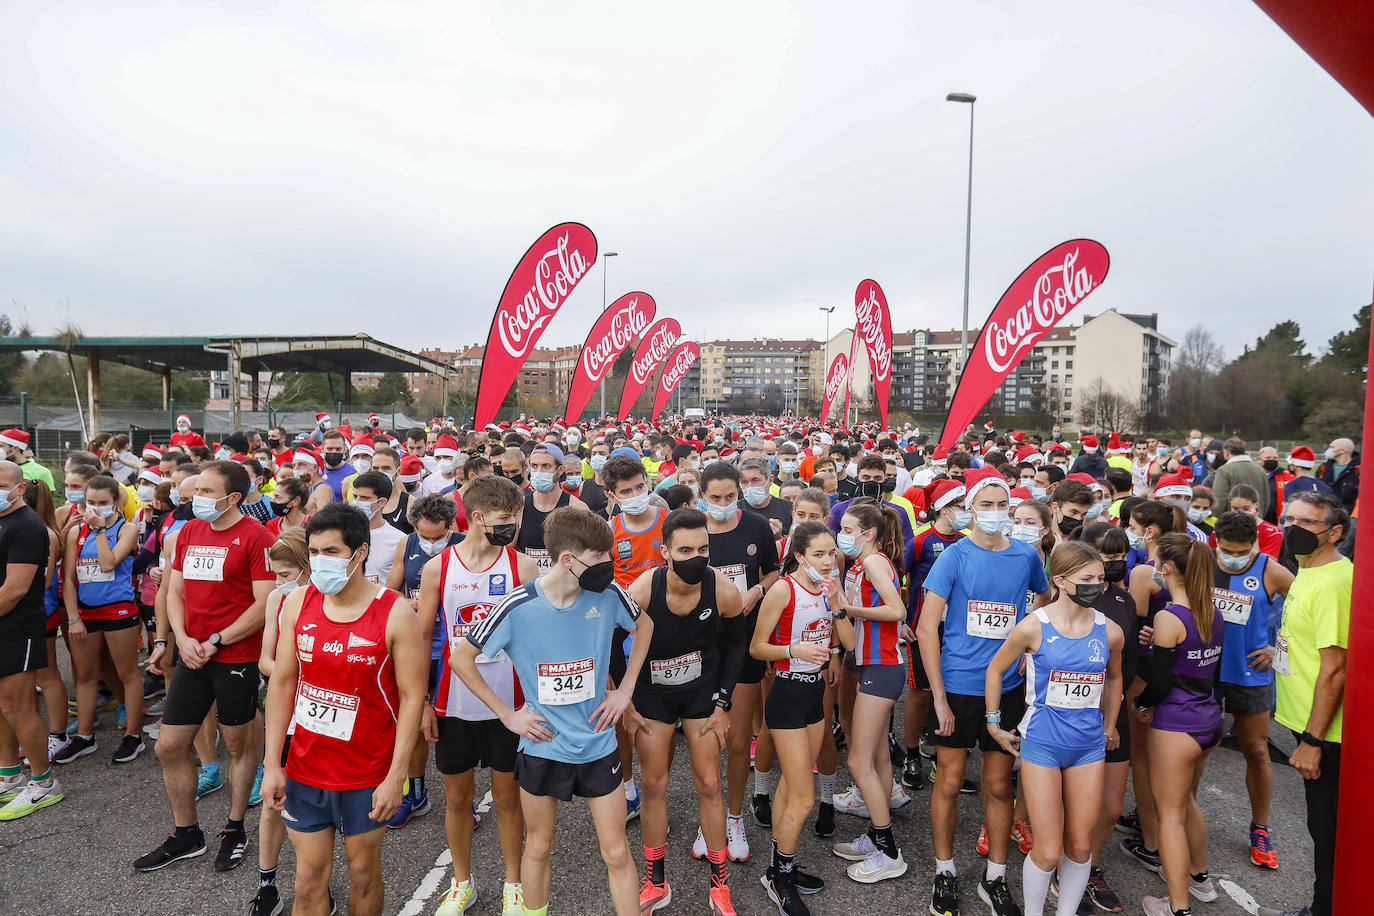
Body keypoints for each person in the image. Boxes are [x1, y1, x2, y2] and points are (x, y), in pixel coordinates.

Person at [457, 506, 652, 916]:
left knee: (616, 852)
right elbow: (462, 658)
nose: (609, 566)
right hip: (543, 747)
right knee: (540, 846)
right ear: (568, 559)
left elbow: (645, 625)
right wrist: (509, 716)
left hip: (598, 746)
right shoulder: (516, 606)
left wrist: (626, 690)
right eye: (601, 557)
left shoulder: (607, 594)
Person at [259, 504, 426, 916]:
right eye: (314, 552)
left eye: (331, 552)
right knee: (308, 879)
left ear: (360, 552)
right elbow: (282, 683)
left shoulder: (395, 612)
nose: (320, 562)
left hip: (366, 773)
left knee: (363, 872)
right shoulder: (297, 602)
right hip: (305, 768)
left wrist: (396, 777)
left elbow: (411, 700)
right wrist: (272, 764)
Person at [918, 467, 1050, 916]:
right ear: (969, 510)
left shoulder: (1026, 556)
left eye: (1001, 505)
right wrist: (937, 695)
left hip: (1009, 687)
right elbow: (926, 627)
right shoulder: (953, 557)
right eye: (985, 505)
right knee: (951, 781)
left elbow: (1044, 601)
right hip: (957, 686)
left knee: (998, 785)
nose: (994, 513)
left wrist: (1029, 645)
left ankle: (994, 878)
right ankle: (944, 870)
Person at [135, 461, 277, 873]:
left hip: (235, 657)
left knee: (237, 746)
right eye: (193, 491)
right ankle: (186, 834)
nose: (196, 499)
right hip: (192, 654)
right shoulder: (189, 532)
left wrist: (216, 640)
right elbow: (173, 590)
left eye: (206, 493)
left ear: (233, 498)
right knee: (169, 745)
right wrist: (179, 638)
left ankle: (234, 829)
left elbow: (263, 604)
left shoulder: (257, 537)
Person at [984, 541, 1124, 916]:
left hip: (1088, 747)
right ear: (1060, 581)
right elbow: (995, 670)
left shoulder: (1109, 632)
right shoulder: (1033, 627)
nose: (1098, 585)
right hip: (1043, 744)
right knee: (1046, 851)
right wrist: (994, 724)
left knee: (1080, 848)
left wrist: (1110, 724)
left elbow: (1114, 679)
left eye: (1100, 578)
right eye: (1087, 579)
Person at [418, 476, 536, 915]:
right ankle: (462, 883)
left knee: (508, 798)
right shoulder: (440, 568)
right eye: (507, 519)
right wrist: (424, 703)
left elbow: (535, 637)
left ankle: (513, 885)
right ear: (479, 517)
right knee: (457, 800)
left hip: (509, 707)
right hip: (455, 703)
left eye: (518, 517)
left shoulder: (522, 567)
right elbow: (421, 638)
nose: (514, 526)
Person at [626, 507, 745, 915]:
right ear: (665, 551)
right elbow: (609, 639)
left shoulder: (724, 590)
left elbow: (737, 646)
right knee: (654, 785)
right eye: (685, 549)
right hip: (652, 695)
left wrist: (724, 702)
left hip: (701, 693)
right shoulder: (643, 589)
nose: (696, 557)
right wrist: (623, 700)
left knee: (710, 784)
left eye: (703, 548)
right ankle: (656, 880)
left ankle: (719, 883)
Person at [751, 522, 854, 916]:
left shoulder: (830, 588)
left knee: (789, 791)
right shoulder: (783, 589)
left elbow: (849, 643)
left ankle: (779, 869)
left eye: (832, 554)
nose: (829, 562)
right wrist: (793, 649)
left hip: (814, 695)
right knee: (804, 796)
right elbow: (757, 647)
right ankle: (780, 876)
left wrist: (838, 602)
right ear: (798, 556)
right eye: (819, 555)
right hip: (787, 695)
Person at [1257, 491, 1352, 916]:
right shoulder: (1307, 570)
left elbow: (1336, 669)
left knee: (1329, 835)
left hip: (1329, 736)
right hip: (1306, 724)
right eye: (1288, 518)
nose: (1293, 528)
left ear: (1334, 533)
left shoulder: (1334, 582)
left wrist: (1313, 741)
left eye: (1306, 523)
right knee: (1322, 831)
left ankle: (1323, 910)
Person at [1134, 533, 1223, 916]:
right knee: (1186, 802)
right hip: (1209, 721)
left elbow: (1161, 681)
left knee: (1169, 814)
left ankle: (1177, 907)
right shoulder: (1211, 611)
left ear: (1167, 567)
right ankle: (1199, 879)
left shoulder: (1169, 616)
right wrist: (1160, 645)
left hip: (1176, 725)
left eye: (1156, 560)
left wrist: (1140, 704)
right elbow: (1195, 661)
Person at [698, 459, 780, 862]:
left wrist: (755, 592)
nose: (724, 503)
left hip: (744, 645)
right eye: (716, 498)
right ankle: (707, 817)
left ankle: (733, 817)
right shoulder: (692, 527)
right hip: (702, 646)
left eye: (731, 496)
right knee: (706, 740)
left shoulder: (756, 527)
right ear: (702, 497)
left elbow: (774, 571)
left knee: (735, 739)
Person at [829, 501, 910, 884]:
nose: (841, 535)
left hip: (882, 666)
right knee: (876, 756)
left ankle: (890, 851)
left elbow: (896, 611)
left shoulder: (875, 562)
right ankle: (879, 839)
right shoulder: (864, 563)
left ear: (868, 534)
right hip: (874, 665)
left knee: (858, 761)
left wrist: (847, 610)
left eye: (847, 529)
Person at [56, 474, 145, 765]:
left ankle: (133, 735)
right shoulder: (75, 533)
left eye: (102, 503)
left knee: (126, 673)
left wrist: (98, 532)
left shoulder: (126, 528)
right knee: (84, 675)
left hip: (119, 611)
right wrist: (73, 618)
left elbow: (108, 563)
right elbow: (68, 579)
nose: (94, 508)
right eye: (90, 502)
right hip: (85, 613)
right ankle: (84, 736)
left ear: (116, 502)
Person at [248, 529, 311, 916]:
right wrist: (299, 676)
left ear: (307, 569)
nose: (278, 582)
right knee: (273, 801)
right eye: (275, 574)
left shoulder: (330, 599)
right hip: (287, 709)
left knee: (317, 807)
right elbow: (264, 660)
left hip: (324, 718)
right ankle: (267, 884)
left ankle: (312, 884)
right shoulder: (276, 599)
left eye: (286, 574)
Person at [0, 461, 63, 821]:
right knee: (2, 705)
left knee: (18, 707)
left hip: (18, 628)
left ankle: (43, 781)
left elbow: (15, 588)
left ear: (20, 488)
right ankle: (8, 774)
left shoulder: (26, 526)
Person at [900, 479, 967, 792]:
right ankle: (912, 754)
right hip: (921, 629)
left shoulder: (968, 541)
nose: (967, 512)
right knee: (922, 693)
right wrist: (901, 619)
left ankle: (943, 756)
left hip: (957, 631)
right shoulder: (920, 541)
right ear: (944, 507)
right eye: (962, 506)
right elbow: (898, 579)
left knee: (954, 693)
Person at [516, 444, 585, 576]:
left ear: (560, 470)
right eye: (534, 466)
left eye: (546, 466)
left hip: (565, 586)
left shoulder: (577, 508)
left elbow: (587, 554)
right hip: (530, 586)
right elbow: (510, 551)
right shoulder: (519, 507)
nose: (539, 471)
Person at [351, 471, 406, 585]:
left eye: (365, 498)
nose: (357, 502)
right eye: (355, 496)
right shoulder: (341, 534)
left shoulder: (399, 540)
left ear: (382, 502)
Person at [1211, 438, 1268, 517]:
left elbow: (1219, 501)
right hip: (1256, 520)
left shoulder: (1224, 470)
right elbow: (1266, 499)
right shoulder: (1260, 470)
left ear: (1226, 453)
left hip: (1232, 521)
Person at [1314, 437, 1358, 514]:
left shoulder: (1358, 469)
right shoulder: (1323, 468)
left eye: (1332, 447)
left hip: (1348, 514)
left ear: (1343, 450)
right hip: (1324, 512)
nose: (1329, 450)